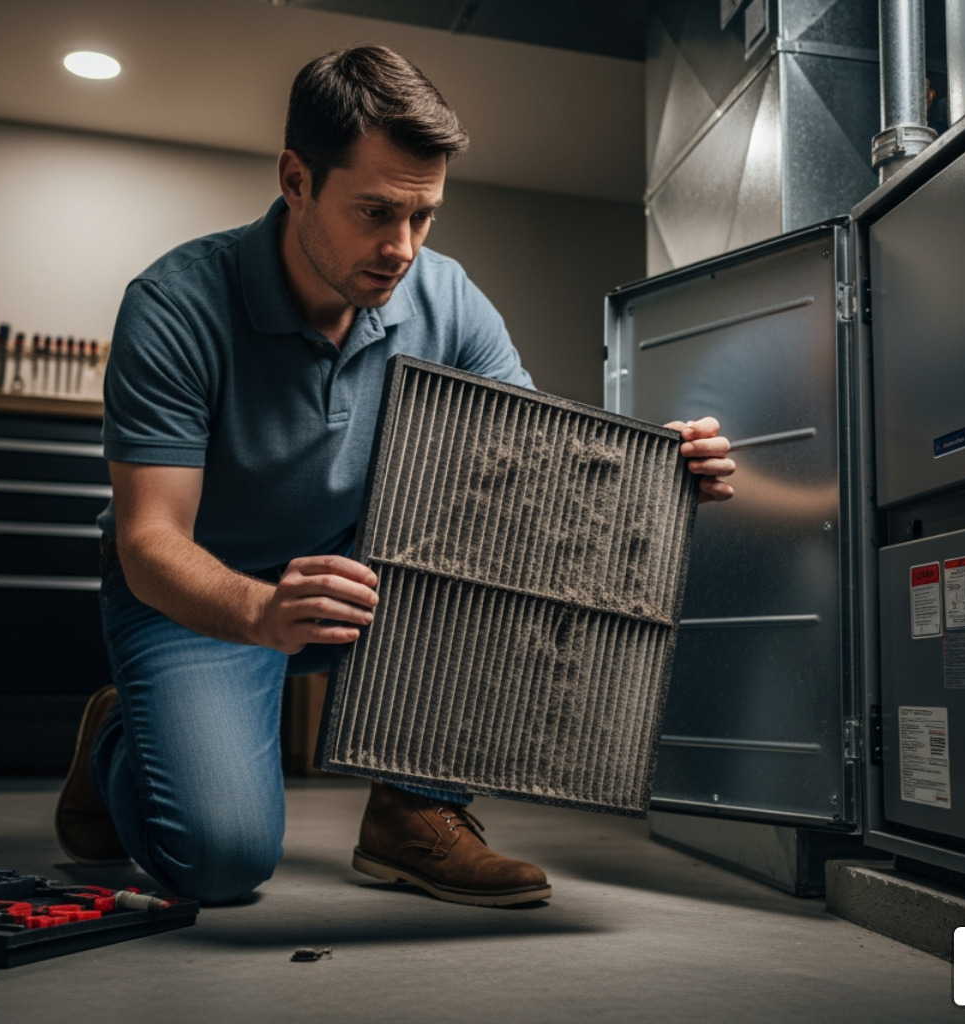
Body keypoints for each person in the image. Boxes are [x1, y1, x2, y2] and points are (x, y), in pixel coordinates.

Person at [55, 45, 736, 908]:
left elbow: (544, 472)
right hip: (203, 595)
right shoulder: (176, 305)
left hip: (360, 571)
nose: (402, 248)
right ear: (296, 178)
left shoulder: (447, 299)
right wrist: (262, 612)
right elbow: (151, 542)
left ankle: (414, 815)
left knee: (514, 540)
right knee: (221, 863)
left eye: (423, 217)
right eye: (376, 211)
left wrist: (663, 472)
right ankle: (118, 734)